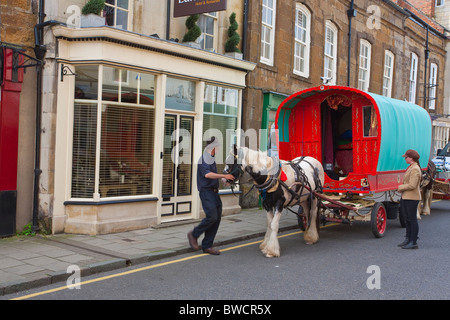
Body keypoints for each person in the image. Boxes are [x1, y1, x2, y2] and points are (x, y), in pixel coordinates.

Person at [187, 137, 235, 255]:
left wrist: (225, 180)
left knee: (216, 219)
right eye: (218, 147)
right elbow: (208, 175)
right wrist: (223, 176)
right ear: (213, 147)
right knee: (212, 216)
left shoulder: (211, 159)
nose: (218, 149)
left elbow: (214, 176)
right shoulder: (203, 159)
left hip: (214, 192)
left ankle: (207, 245)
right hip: (206, 192)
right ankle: (194, 234)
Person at [397, 149, 422, 249]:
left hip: (412, 197)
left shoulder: (415, 169)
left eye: (406, 157)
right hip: (407, 197)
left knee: (412, 219)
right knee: (407, 219)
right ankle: (408, 238)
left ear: (411, 158)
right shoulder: (411, 167)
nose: (405, 159)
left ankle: (413, 241)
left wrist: (400, 187)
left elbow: (412, 185)